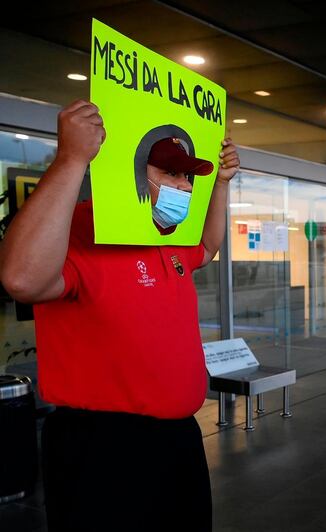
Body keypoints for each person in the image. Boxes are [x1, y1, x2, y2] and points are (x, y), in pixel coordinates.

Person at [0, 100, 240, 532]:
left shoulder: (165, 233)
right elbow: (22, 279)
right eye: (170, 173)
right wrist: (72, 159)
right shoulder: (83, 228)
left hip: (179, 440)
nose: (184, 187)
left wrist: (220, 185)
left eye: (187, 176)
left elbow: (207, 248)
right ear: (130, 171)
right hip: (106, 448)